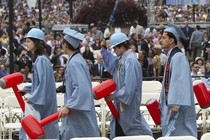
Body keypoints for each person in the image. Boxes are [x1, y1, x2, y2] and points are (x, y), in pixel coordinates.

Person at [99, 32, 152, 139]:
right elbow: (111, 65)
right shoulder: (123, 59)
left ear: (122, 46)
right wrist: (103, 48)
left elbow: (129, 88)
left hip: (129, 106)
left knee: (135, 133)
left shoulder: (130, 61)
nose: (114, 51)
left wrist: (113, 96)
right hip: (121, 105)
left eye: (115, 48)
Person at [59, 28, 99, 139]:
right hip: (77, 108)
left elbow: (82, 88)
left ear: (65, 45)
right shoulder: (76, 60)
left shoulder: (75, 62)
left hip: (77, 111)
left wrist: (69, 105)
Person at [19, 28, 59, 139]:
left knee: (40, 130)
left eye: (28, 41)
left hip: (43, 103)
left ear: (36, 42)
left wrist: (32, 98)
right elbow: (39, 83)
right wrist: (26, 89)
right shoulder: (41, 59)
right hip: (43, 99)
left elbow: (43, 84)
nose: (26, 44)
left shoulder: (41, 60)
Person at [159, 25, 197, 137]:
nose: (160, 40)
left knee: (181, 133)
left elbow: (180, 81)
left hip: (177, 106)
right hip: (170, 105)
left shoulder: (178, 57)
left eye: (163, 38)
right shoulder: (171, 56)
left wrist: (175, 104)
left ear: (171, 40)